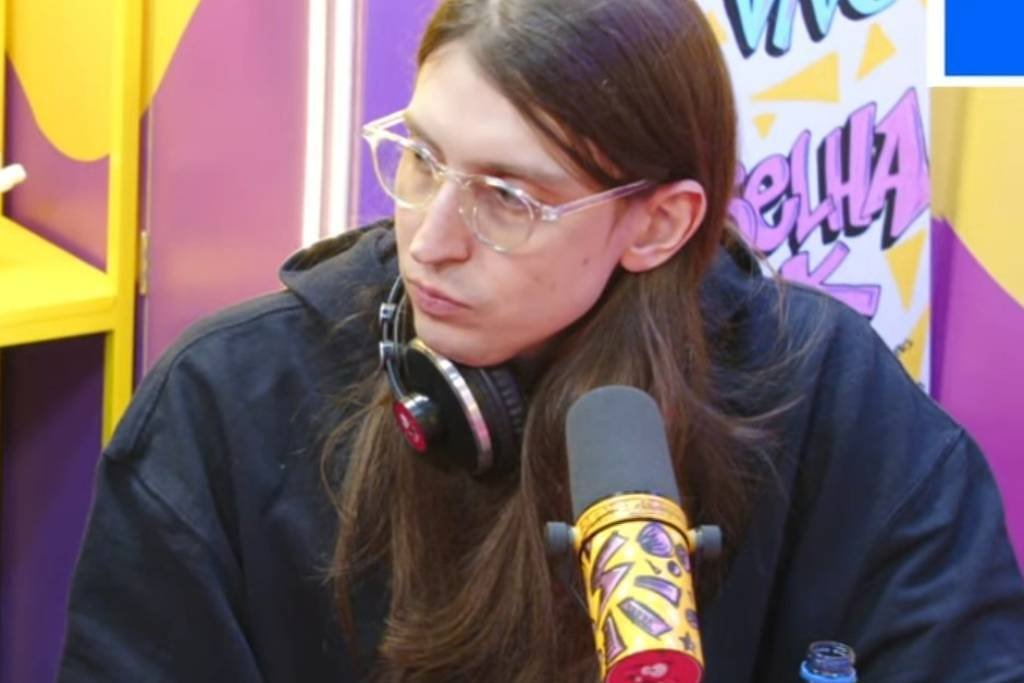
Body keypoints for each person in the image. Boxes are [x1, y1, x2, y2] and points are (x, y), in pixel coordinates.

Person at [58, 0, 1024, 681]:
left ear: (658, 225)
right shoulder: (224, 404)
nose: (430, 241)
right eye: (423, 160)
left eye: (509, 198)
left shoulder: (823, 398)